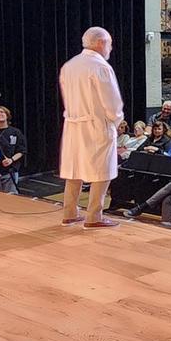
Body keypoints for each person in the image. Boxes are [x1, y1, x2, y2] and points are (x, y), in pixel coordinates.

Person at [58, 27, 125, 228]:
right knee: (102, 170)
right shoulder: (100, 66)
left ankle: (69, 212)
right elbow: (112, 102)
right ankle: (94, 215)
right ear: (101, 43)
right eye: (110, 44)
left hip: (72, 124)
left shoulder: (69, 66)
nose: (110, 49)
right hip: (96, 124)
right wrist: (116, 121)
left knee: (74, 168)